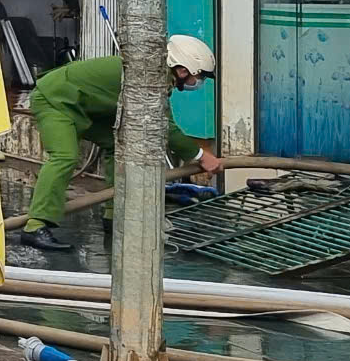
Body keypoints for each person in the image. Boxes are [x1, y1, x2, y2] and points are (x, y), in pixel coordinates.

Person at [20, 37, 221, 251]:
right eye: (200, 77)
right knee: (65, 156)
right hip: (55, 100)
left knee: (118, 145)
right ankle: (35, 227)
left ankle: (114, 215)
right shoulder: (148, 77)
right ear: (182, 71)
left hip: (83, 105)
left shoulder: (155, 75)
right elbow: (164, 127)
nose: (199, 83)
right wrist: (201, 156)